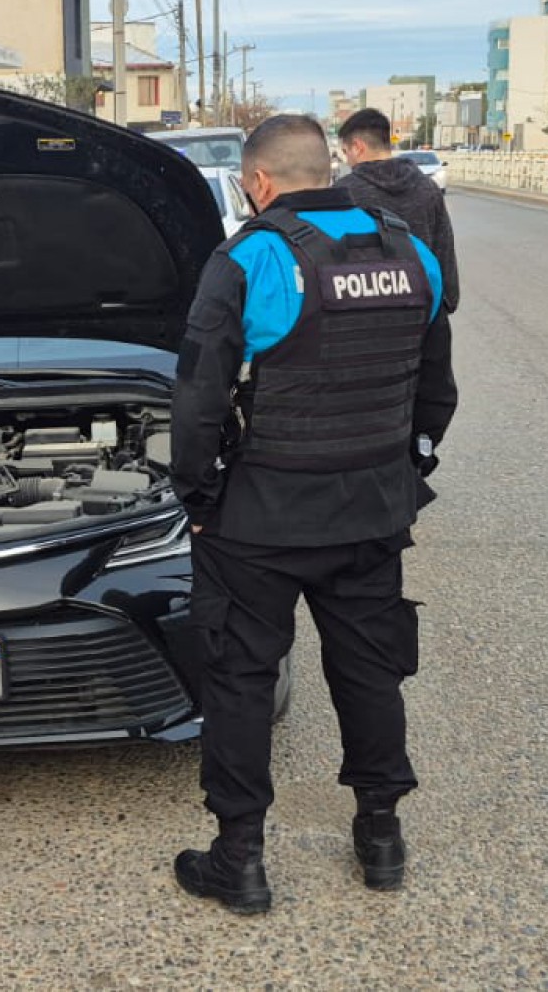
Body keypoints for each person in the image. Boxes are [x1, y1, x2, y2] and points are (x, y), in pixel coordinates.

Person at [168, 115, 456, 914]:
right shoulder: (412, 251)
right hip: (371, 511)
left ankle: (240, 860)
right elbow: (436, 388)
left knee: (241, 679)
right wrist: (404, 468)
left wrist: (197, 498)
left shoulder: (250, 257)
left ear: (258, 182)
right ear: (326, 168)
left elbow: (197, 401)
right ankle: (381, 838)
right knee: (370, 672)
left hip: (259, 521)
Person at [334, 107, 459, 313]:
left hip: (364, 317)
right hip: (422, 313)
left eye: (346, 152)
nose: (347, 160)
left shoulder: (343, 192)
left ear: (357, 147)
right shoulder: (427, 187)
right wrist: (445, 306)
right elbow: (444, 253)